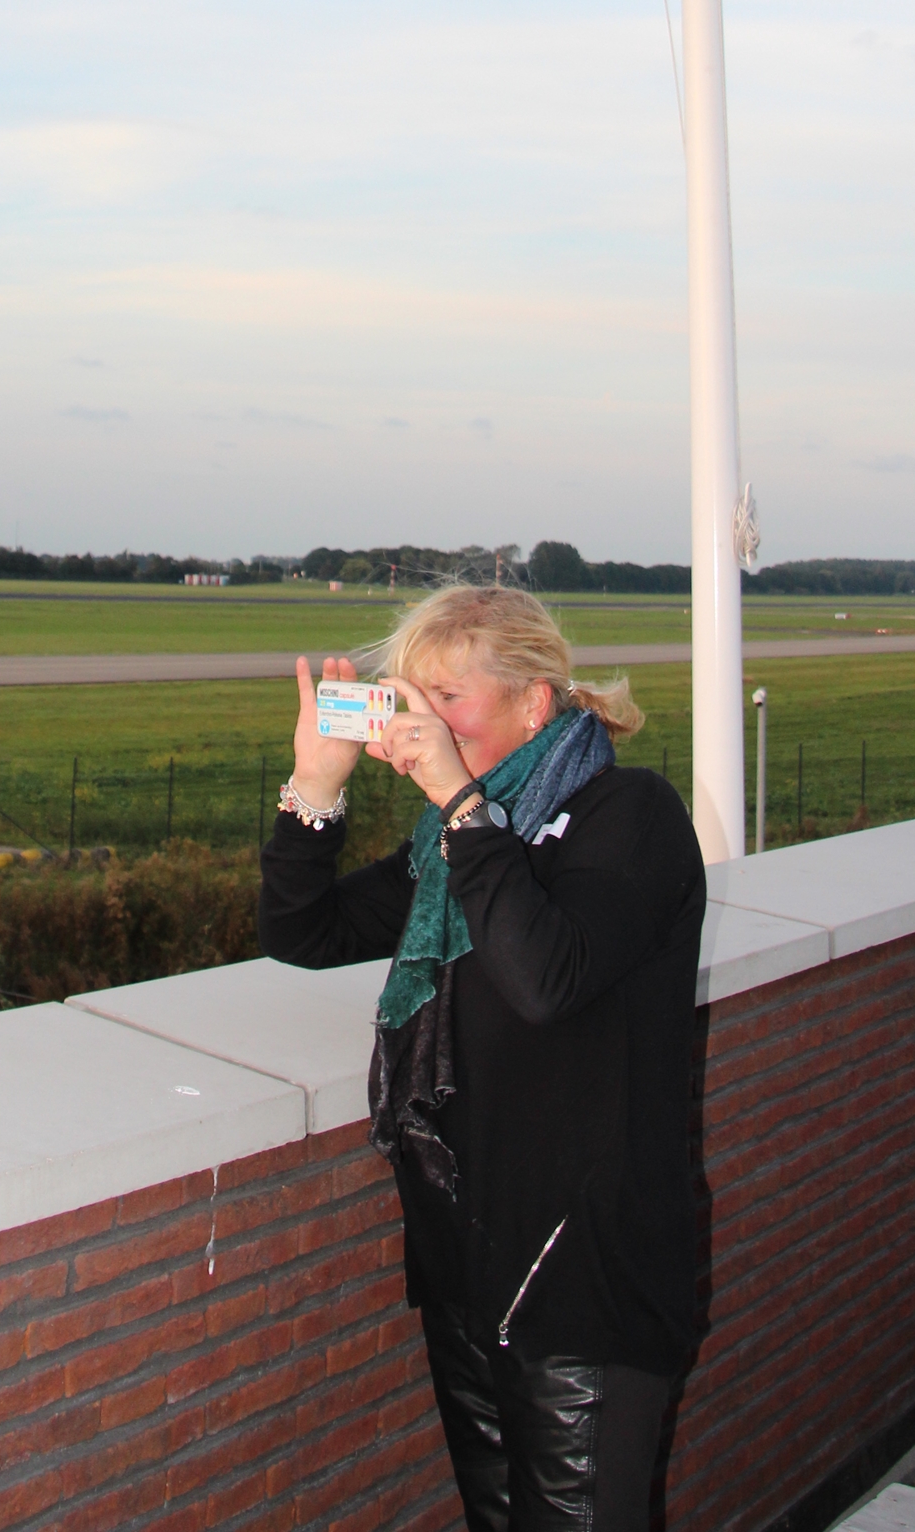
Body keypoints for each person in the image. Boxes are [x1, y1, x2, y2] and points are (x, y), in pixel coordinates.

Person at [259, 584, 705, 1532]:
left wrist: (463, 808)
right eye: (410, 697)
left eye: (447, 698)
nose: (422, 720)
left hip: (585, 1288)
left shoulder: (629, 815)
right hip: (466, 1271)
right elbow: (305, 931)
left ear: (533, 701)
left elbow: (546, 979)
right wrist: (316, 786)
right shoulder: (451, 847)